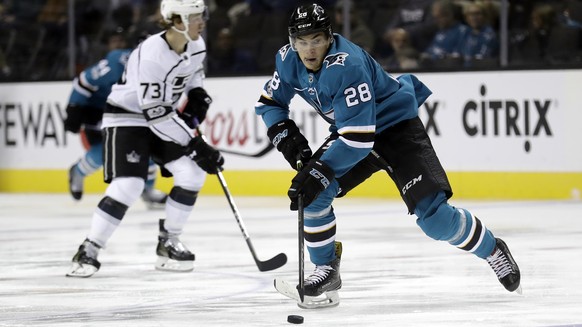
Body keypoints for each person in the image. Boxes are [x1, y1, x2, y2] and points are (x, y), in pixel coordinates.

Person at [255, 3, 521, 307]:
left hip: (395, 128)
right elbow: (269, 103)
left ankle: (492, 249)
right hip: (356, 130)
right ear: (292, 42)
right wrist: (289, 140)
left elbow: (359, 140)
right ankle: (326, 269)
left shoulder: (347, 64)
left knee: (434, 220)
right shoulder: (287, 60)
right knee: (313, 195)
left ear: (329, 37)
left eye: (316, 39)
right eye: (302, 41)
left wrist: (317, 171)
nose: (309, 49)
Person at [66, 0, 224, 278]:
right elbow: (156, 115)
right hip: (127, 118)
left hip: (162, 116)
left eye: (202, 16)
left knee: (192, 173)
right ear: (177, 22)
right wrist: (195, 144)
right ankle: (89, 248)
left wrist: (198, 95)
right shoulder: (152, 53)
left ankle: (168, 243)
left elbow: (193, 74)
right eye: (196, 17)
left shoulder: (196, 44)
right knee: (129, 184)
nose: (203, 21)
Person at [64, 28, 168, 208]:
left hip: (131, 113)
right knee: (106, 152)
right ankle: (78, 172)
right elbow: (84, 81)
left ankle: (147, 190)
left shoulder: (164, 68)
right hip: (99, 111)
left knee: (149, 147)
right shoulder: (116, 63)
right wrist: (74, 107)